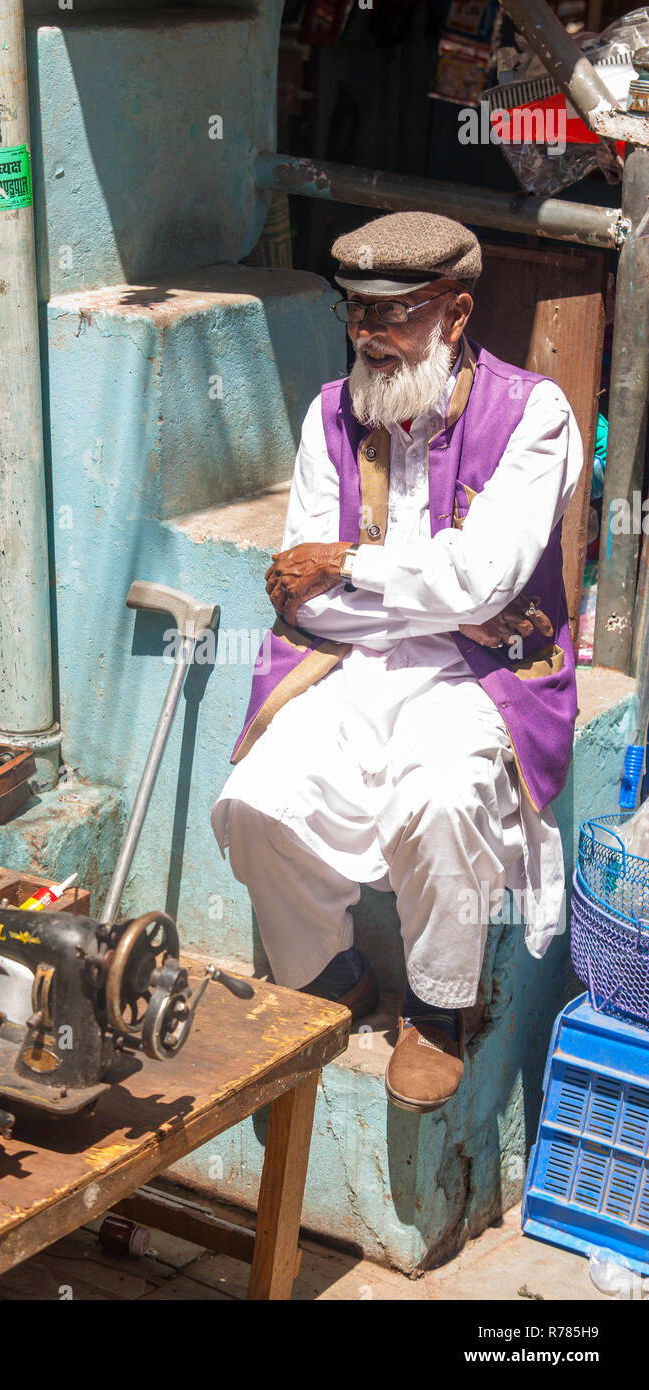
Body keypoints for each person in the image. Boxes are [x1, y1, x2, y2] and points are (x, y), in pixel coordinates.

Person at [211, 211, 582, 1114]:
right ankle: (331, 976)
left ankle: (437, 1011)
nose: (370, 337)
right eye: (355, 313)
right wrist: (414, 600)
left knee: (442, 797)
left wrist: (353, 565)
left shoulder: (534, 414)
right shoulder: (329, 415)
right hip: (352, 666)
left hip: (478, 680)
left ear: (455, 316)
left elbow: (487, 579)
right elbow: (305, 596)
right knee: (256, 803)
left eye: (397, 314)